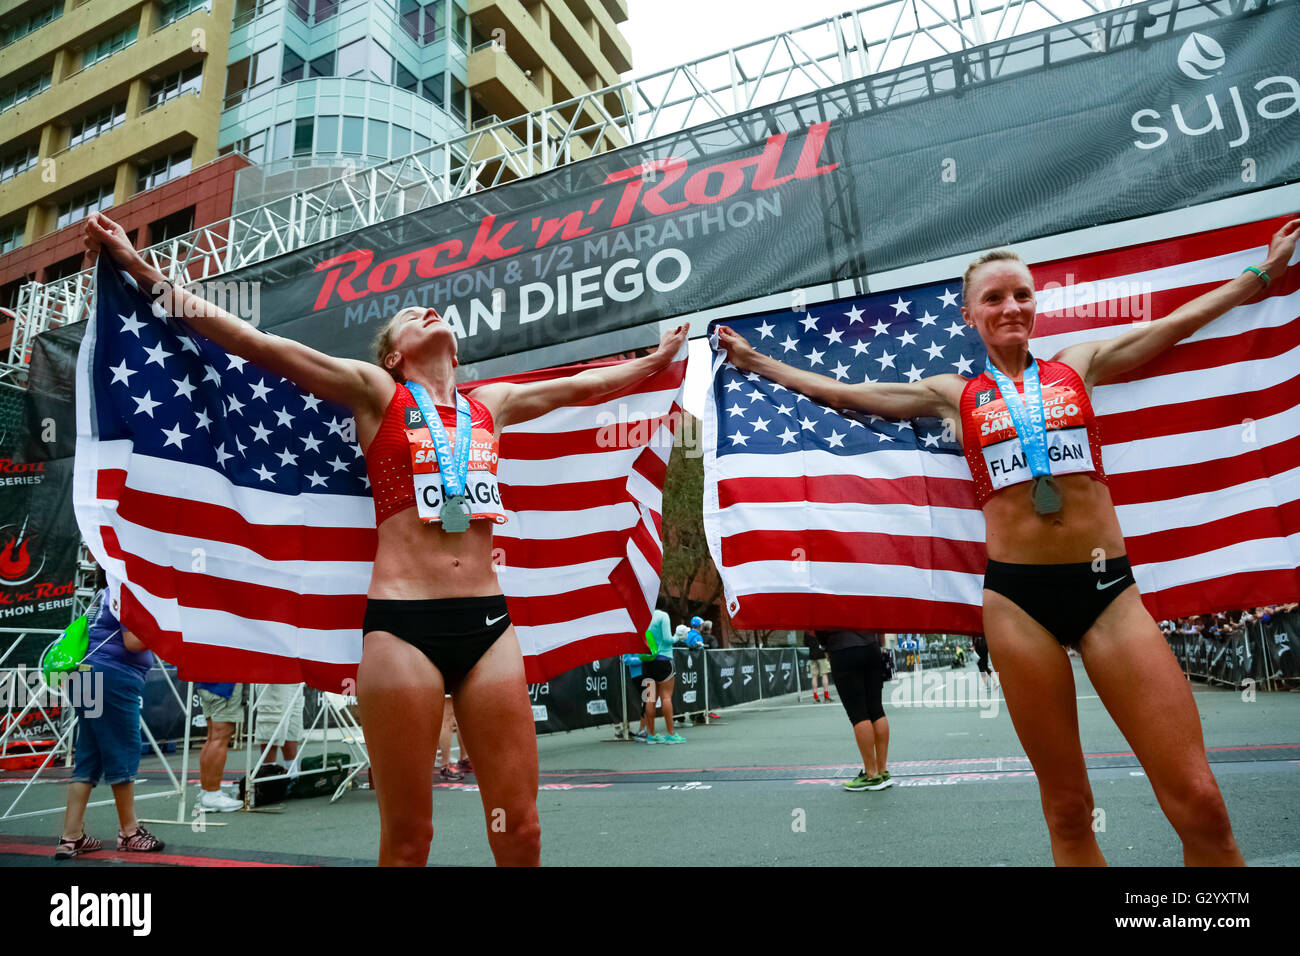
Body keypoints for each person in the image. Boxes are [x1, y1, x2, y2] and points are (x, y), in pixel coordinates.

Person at [85, 212, 688, 866]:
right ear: (395, 356)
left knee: (521, 830)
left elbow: (580, 387)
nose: (425, 310)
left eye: (431, 311)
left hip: (490, 624)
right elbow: (255, 343)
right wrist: (144, 274)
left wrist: (653, 364)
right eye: (409, 316)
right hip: (401, 627)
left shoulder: (496, 405)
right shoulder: (377, 393)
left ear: (456, 351)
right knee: (407, 842)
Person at [717, 216, 1299, 863]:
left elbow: (1175, 328)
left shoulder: (1081, 363)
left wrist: (1262, 274)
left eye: (1021, 293)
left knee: (1201, 801)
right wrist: (757, 363)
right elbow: (850, 393)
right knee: (1069, 811)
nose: (1010, 306)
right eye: (993, 298)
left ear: (1036, 304)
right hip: (1017, 602)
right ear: (970, 314)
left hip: (1107, 588)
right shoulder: (953, 394)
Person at [55, 581, 166, 858]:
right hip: (113, 678)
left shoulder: (105, 592)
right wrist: (165, 630)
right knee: (124, 752)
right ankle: (130, 832)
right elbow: (133, 641)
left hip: (86, 675)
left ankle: (71, 837)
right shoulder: (126, 589)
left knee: (88, 757)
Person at [816, 630, 891, 791]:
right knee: (876, 710)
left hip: (843, 648)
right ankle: (882, 770)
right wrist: (881, 644)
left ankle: (871, 774)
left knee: (858, 713)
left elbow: (820, 623)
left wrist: (825, 647)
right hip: (872, 647)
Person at [196, 682, 245, 812]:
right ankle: (212, 793)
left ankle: (207, 791)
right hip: (225, 682)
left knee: (213, 737)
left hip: (206, 680)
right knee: (219, 737)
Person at [641, 609, 684, 744]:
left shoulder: (641, 615)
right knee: (666, 696)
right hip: (664, 659)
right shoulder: (662, 615)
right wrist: (678, 637)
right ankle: (670, 734)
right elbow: (667, 639)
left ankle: (651, 734)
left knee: (650, 698)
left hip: (647, 661)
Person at [253, 683, 305, 770]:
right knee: (271, 731)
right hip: (273, 678)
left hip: (296, 678)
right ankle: (269, 777)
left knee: (292, 730)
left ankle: (292, 776)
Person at [804, 631, 833, 702]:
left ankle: (815, 695)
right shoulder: (820, 629)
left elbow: (805, 644)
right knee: (824, 675)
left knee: (814, 676)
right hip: (822, 655)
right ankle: (826, 696)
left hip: (812, 655)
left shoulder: (807, 631)